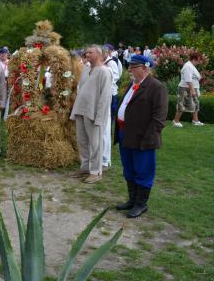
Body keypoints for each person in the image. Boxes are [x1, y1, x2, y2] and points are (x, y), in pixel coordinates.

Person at [115, 54, 168, 218]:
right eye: (129, 66)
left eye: (134, 67)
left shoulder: (156, 87)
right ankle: (132, 200)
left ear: (145, 68)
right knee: (129, 169)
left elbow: (159, 118)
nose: (129, 69)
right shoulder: (133, 83)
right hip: (125, 134)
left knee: (143, 171)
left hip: (143, 138)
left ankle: (141, 204)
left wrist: (149, 139)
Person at [70, 45, 112, 184]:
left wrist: (100, 117)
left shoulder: (105, 72)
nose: (87, 54)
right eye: (86, 52)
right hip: (81, 110)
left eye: (90, 52)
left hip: (93, 113)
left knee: (95, 144)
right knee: (82, 142)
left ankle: (95, 171)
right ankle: (85, 167)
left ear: (99, 55)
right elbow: (81, 89)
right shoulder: (86, 69)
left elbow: (105, 97)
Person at [172, 52, 205, 127]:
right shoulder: (188, 66)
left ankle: (195, 121)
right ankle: (175, 121)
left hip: (191, 88)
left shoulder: (191, 66)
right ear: (194, 59)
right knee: (182, 104)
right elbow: (188, 80)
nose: (199, 62)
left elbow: (194, 78)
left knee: (195, 104)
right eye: (198, 60)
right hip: (186, 88)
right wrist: (192, 90)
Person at [102, 45, 121, 169]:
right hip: (107, 92)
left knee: (109, 118)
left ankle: (109, 134)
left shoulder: (111, 63)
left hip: (111, 93)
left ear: (108, 52)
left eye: (103, 52)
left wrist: (106, 81)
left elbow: (116, 76)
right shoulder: (105, 62)